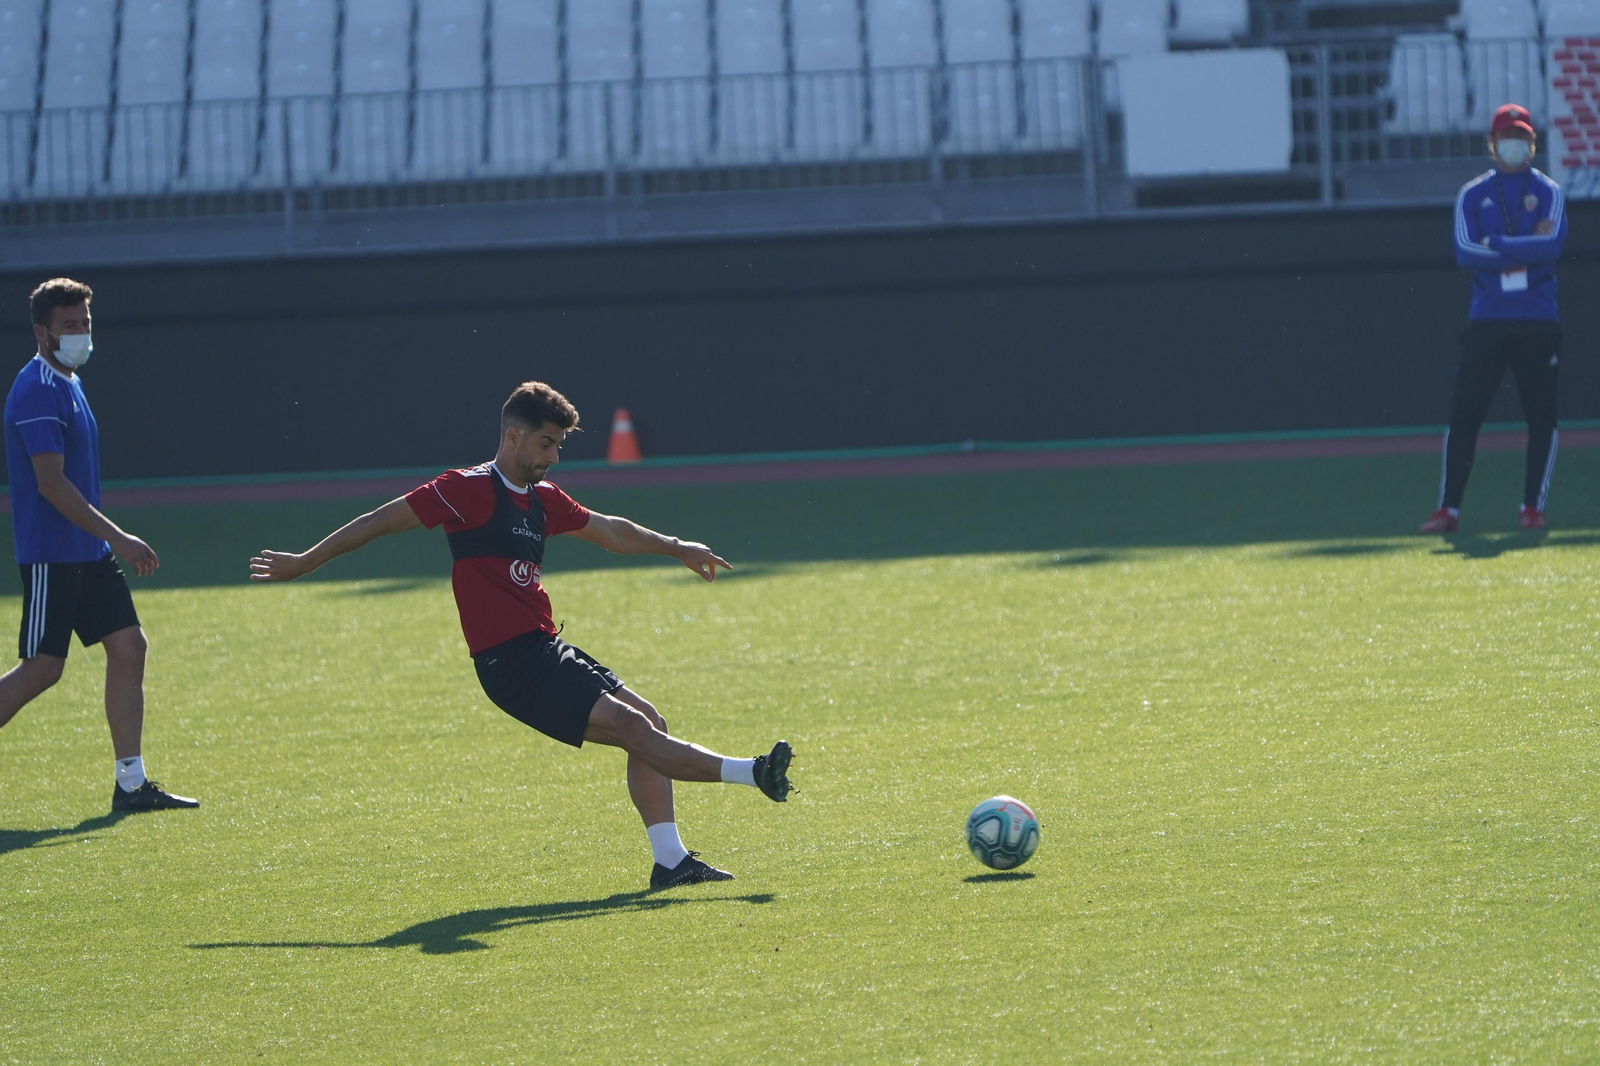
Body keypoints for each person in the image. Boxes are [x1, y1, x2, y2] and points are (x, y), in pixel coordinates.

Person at [249, 381, 794, 888]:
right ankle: (753, 774)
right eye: (546, 443)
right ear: (512, 436)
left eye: (558, 446)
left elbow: (611, 532)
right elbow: (375, 522)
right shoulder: (463, 490)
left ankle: (670, 862)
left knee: (649, 721)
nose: (553, 457)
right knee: (633, 727)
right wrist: (304, 562)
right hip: (509, 662)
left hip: (543, 646)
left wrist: (678, 546)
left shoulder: (542, 498)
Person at [1, 279, 198, 811]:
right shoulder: (37, 389)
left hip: (88, 552)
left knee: (130, 647)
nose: (81, 335)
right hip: (54, 555)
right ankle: (130, 785)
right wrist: (119, 535)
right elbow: (50, 484)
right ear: (42, 332)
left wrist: (105, 542)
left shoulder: (68, 380)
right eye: (70, 327)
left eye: (85, 324)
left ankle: (130, 784)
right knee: (43, 668)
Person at [1421, 103, 1568, 535]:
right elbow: (1467, 253)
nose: (1514, 144)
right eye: (1507, 136)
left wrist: (1500, 242)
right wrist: (1524, 244)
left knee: (1541, 416)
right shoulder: (1471, 194)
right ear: (1491, 143)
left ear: (1532, 144)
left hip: (1538, 319)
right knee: (1465, 415)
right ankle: (1448, 509)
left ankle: (1532, 508)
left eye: (1521, 137)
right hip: (1487, 319)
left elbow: (1552, 249)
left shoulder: (1549, 192)